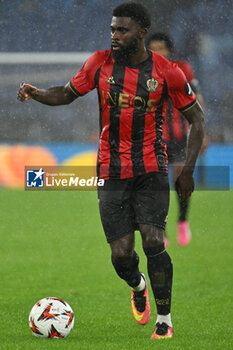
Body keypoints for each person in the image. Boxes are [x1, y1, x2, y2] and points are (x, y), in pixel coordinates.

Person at [17, 2, 205, 340]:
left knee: (153, 241)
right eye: (112, 29)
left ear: (141, 33)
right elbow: (66, 93)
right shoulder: (99, 64)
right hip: (111, 169)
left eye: (122, 30)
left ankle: (164, 319)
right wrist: (37, 93)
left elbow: (198, 118)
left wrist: (188, 171)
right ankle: (138, 284)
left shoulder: (166, 71)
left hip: (151, 166)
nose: (115, 35)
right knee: (121, 254)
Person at [147, 32, 207, 247]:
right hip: (154, 139)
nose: (157, 52)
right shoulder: (143, 72)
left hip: (180, 137)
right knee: (157, 186)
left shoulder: (182, 69)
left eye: (161, 48)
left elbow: (197, 101)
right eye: (153, 48)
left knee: (180, 182)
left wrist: (203, 132)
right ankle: (159, 228)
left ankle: (182, 221)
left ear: (169, 50)